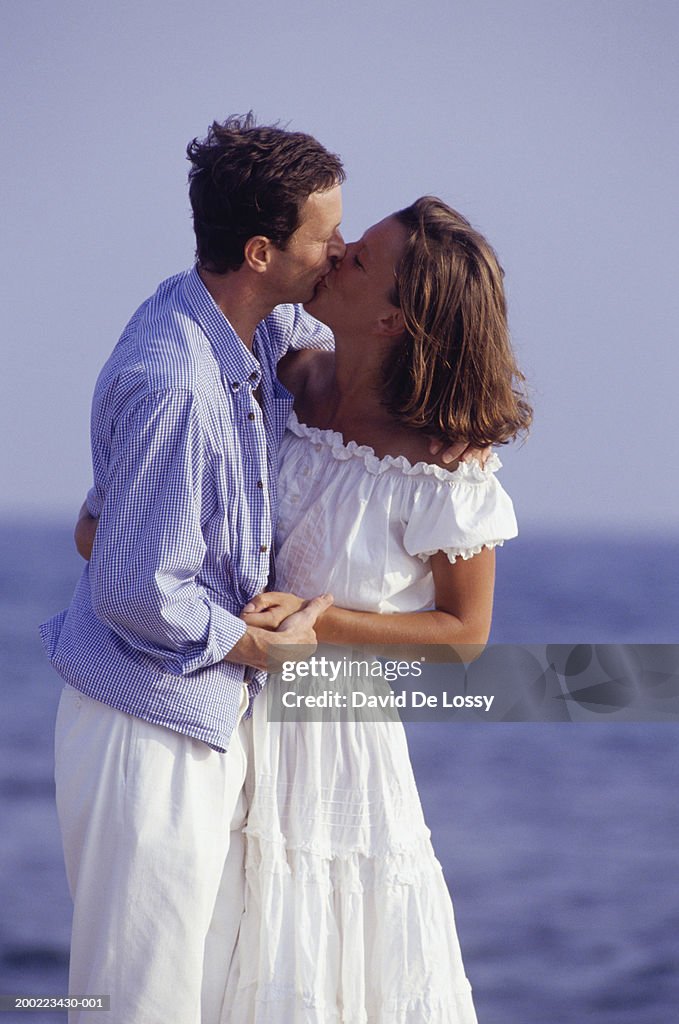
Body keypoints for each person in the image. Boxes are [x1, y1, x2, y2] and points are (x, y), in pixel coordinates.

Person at [40, 114, 349, 1024]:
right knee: (136, 1000)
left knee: (198, 991)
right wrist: (262, 649)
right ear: (260, 250)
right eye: (326, 239)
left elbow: (106, 533)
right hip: (148, 723)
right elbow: (135, 590)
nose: (338, 252)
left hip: (189, 713)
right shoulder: (176, 378)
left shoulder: (241, 324)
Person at [220, 197, 532, 1022]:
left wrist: (321, 622)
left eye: (359, 257)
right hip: (214, 710)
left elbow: (465, 635)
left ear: (394, 318)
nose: (333, 252)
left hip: (333, 746)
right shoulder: (277, 371)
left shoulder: (444, 464)